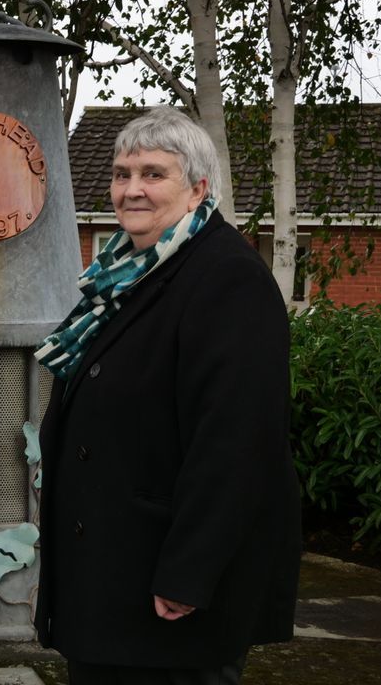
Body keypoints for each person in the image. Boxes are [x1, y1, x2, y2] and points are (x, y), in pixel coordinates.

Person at [34, 107, 301, 684]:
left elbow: (236, 445)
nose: (131, 190)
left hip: (167, 590)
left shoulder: (226, 278)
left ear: (198, 189)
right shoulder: (127, 274)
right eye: (121, 173)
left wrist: (189, 574)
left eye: (153, 174)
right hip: (113, 572)